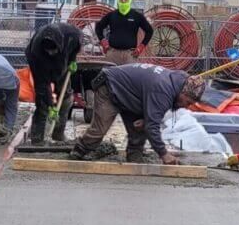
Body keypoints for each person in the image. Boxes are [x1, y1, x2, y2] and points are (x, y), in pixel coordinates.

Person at [69, 63, 204, 164]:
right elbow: (153, 126)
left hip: (131, 95)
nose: (187, 106)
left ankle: (134, 156)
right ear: (184, 92)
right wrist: (164, 154)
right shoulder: (164, 90)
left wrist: (147, 121)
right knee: (100, 129)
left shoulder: (176, 83)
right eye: (187, 102)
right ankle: (79, 151)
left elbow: (152, 117)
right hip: (109, 87)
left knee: (139, 127)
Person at [24, 21, 83, 144]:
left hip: (62, 64)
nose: (51, 53)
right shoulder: (36, 52)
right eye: (48, 51)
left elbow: (77, 47)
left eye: (53, 50)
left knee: (66, 99)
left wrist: (72, 60)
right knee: (42, 103)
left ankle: (58, 134)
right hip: (42, 67)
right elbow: (42, 84)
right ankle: (37, 138)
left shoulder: (72, 35)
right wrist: (51, 105)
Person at [93, 0, 153, 65]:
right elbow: (98, 27)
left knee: (128, 77)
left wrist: (141, 47)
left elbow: (149, 31)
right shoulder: (111, 15)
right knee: (110, 76)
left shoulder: (137, 16)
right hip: (112, 54)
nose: (123, 1)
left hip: (130, 55)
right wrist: (103, 41)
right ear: (118, 0)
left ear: (130, 0)